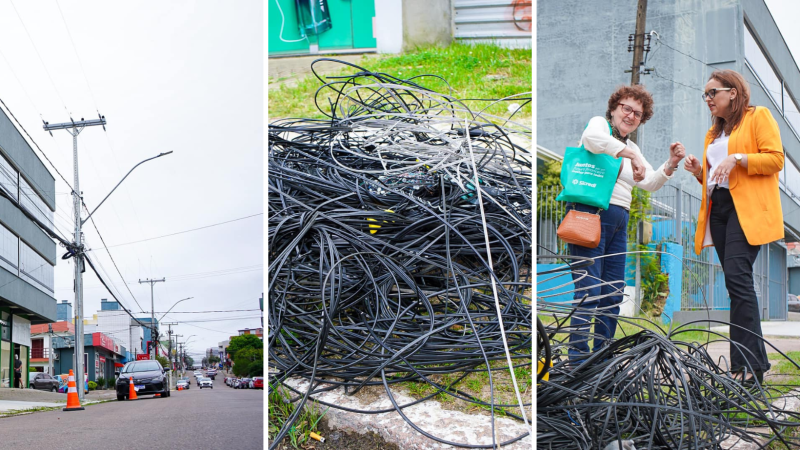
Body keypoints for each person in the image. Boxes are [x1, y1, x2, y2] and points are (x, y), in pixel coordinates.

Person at [567, 84, 685, 359]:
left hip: (619, 222)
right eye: (626, 109)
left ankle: (601, 357)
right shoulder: (600, 126)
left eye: (638, 114)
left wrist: (671, 162)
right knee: (588, 290)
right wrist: (629, 154)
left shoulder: (631, 146)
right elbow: (591, 139)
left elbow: (650, 182)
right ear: (613, 109)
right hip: (590, 215)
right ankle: (577, 359)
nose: (631, 116)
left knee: (612, 293)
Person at [684, 69, 783, 384]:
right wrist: (701, 170)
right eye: (706, 95)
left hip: (747, 209)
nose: (708, 99)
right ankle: (750, 366)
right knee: (734, 286)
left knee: (739, 282)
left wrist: (738, 157)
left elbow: (775, 159)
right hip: (720, 210)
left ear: (734, 93)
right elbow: (716, 180)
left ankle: (747, 370)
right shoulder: (713, 134)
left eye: (713, 93)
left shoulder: (758, 117)